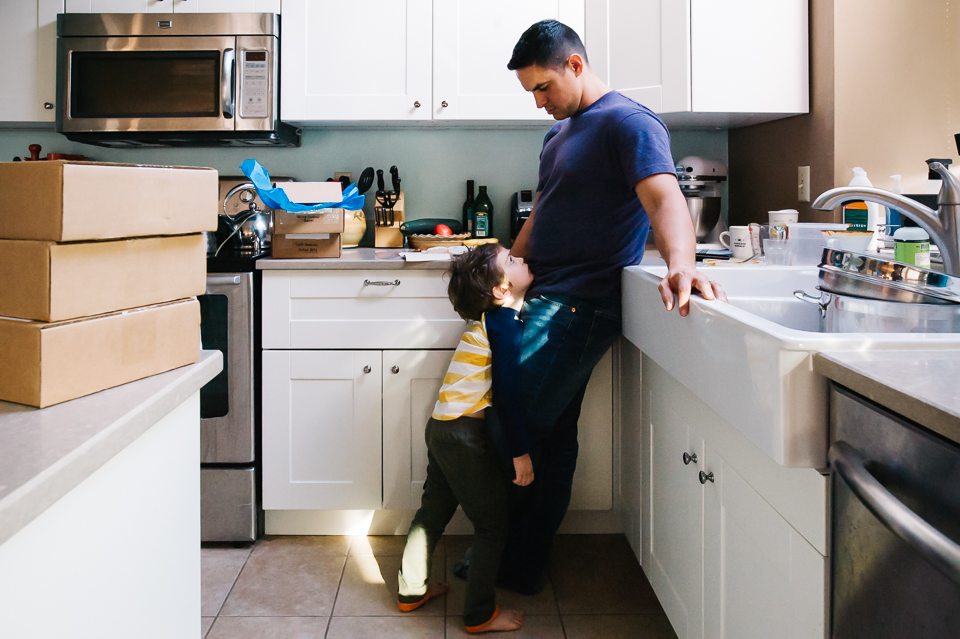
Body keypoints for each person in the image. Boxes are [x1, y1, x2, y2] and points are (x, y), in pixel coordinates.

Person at [490, 19, 728, 594]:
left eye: (543, 88)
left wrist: (681, 262)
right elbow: (542, 213)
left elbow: (663, 197)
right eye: (530, 94)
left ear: (575, 65)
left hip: (580, 304)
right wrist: (501, 271)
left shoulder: (629, 122)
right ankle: (521, 565)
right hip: (545, 294)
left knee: (514, 424)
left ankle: (507, 557)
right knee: (554, 432)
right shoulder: (559, 136)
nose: (539, 103)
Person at [397, 243, 536, 634]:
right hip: (461, 435)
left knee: (432, 514)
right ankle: (479, 614)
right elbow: (506, 394)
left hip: (441, 428)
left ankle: (411, 591)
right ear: (501, 290)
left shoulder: (489, 323)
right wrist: (520, 454)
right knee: (492, 524)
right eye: (512, 260)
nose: (522, 258)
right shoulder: (504, 327)